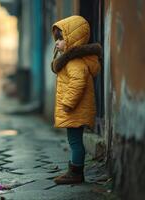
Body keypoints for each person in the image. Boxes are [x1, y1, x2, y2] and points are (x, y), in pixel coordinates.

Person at [50, 15, 102, 184]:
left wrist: (68, 103)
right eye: (56, 39)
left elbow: (78, 83)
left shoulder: (75, 63)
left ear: (72, 40)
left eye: (61, 38)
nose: (57, 42)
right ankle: (74, 169)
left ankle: (76, 172)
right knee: (74, 140)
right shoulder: (70, 61)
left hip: (74, 109)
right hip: (75, 110)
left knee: (75, 142)